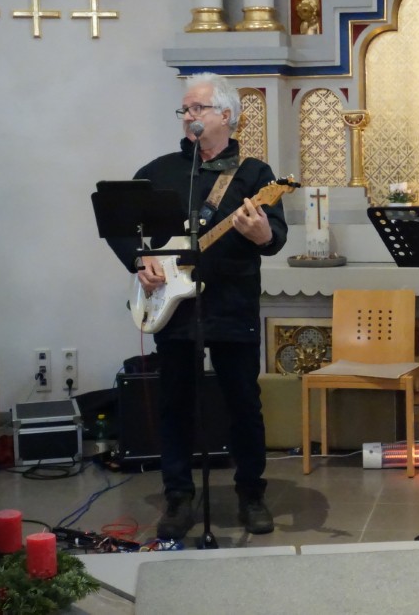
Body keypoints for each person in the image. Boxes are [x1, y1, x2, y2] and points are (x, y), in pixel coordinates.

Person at [108, 72, 287, 538]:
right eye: (184, 109)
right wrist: (139, 259)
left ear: (226, 115)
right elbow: (120, 225)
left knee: (243, 402)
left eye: (197, 108)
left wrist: (262, 233)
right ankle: (178, 497)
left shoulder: (255, 175)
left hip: (232, 304)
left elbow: (275, 237)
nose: (188, 115)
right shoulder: (158, 172)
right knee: (175, 403)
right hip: (174, 308)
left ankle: (251, 494)